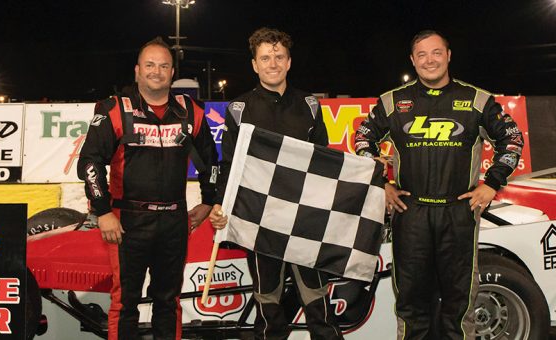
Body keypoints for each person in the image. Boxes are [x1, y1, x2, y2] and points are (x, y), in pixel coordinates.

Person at [354, 30, 524, 340]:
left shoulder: (477, 100)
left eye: (436, 53)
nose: (429, 60)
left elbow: (511, 140)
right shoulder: (393, 101)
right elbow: (362, 140)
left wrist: (491, 184)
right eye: (422, 55)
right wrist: (382, 185)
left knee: (459, 304)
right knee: (411, 302)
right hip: (411, 214)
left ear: (448, 56)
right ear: (412, 60)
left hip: (458, 213)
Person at [77, 37, 218, 340]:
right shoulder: (115, 108)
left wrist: (208, 201)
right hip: (127, 223)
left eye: (164, 65)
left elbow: (212, 163)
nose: (157, 71)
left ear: (172, 72)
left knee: (168, 302)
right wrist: (102, 212)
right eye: (150, 65)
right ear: (137, 70)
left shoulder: (190, 111)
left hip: (174, 222)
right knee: (125, 302)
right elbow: (89, 163)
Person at [208, 27, 344, 340]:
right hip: (260, 221)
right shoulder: (239, 109)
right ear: (255, 64)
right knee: (268, 308)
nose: (273, 63)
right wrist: (220, 203)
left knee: (318, 303)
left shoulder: (309, 104)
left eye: (279, 56)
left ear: (289, 61)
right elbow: (228, 164)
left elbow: (324, 161)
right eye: (266, 57)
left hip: (304, 220)